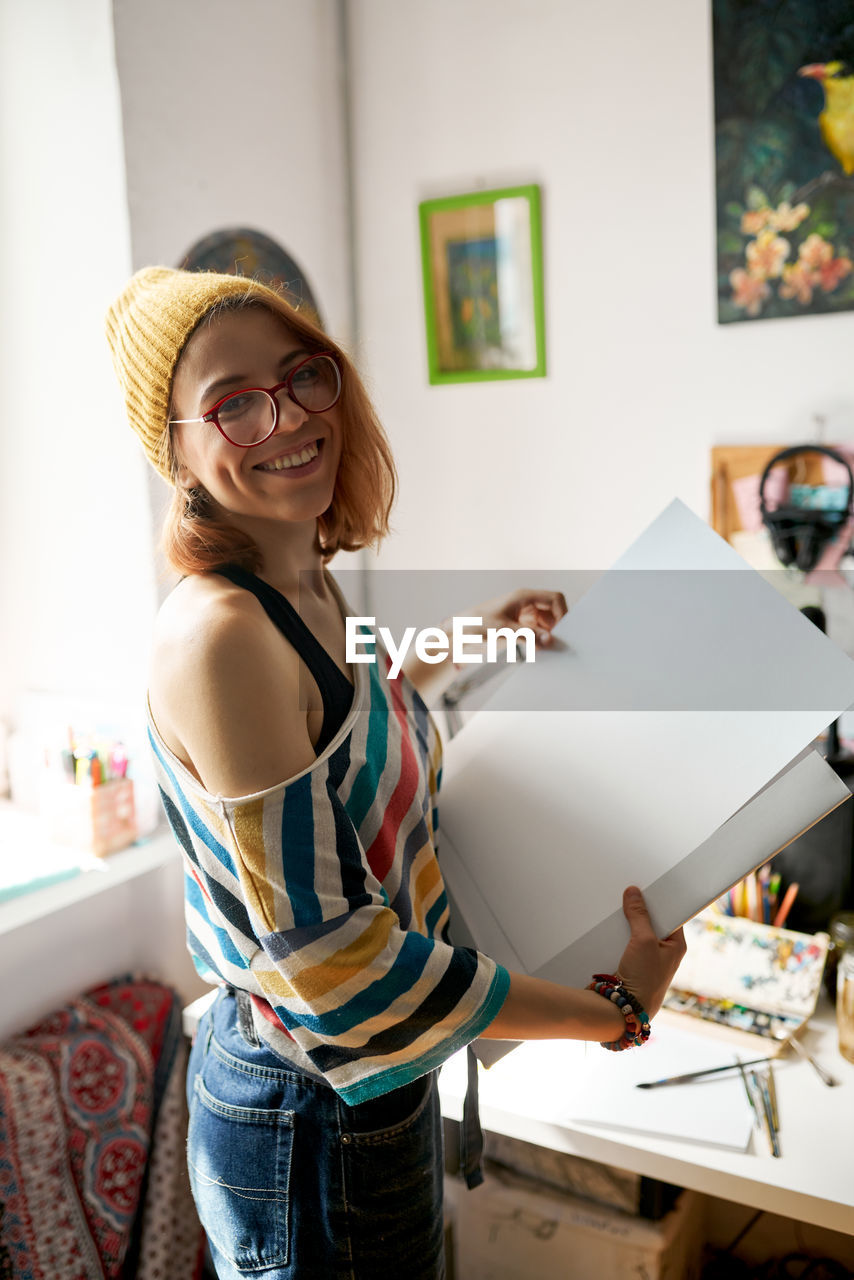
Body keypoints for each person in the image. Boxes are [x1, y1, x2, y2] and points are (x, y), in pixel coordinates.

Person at [105, 267, 686, 1280]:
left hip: (367, 1081)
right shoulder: (220, 635)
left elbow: (341, 702)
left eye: (301, 375)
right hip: (311, 1103)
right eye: (233, 402)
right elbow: (337, 963)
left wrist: (474, 639)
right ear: (176, 450)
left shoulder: (301, 581)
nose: (284, 415)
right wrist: (613, 1010)